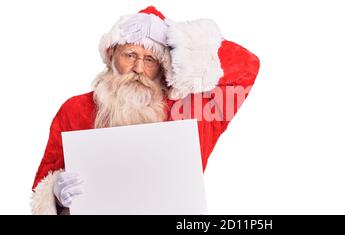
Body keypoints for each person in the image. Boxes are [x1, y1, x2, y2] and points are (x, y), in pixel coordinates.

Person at [31, 5, 260, 215]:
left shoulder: (194, 109)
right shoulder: (75, 109)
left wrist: (174, 34)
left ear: (164, 65)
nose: (139, 68)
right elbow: (41, 186)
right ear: (111, 55)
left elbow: (247, 65)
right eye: (130, 55)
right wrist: (55, 196)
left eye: (150, 59)